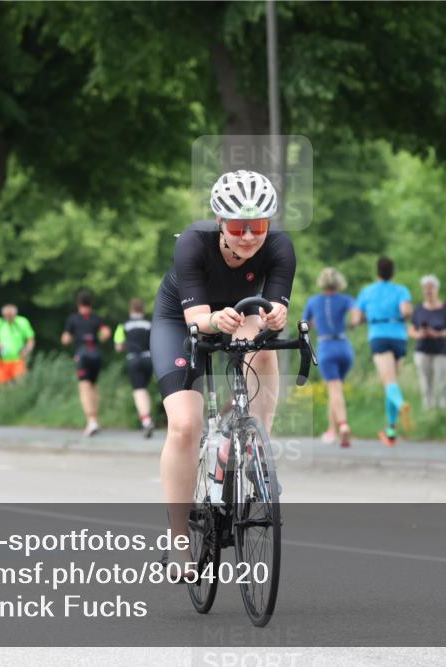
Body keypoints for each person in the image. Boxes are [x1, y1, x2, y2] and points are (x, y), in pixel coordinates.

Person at [151, 169, 294, 570]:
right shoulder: (194, 243)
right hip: (182, 320)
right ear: (219, 222)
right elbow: (198, 321)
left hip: (240, 311)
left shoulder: (280, 246)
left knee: (262, 348)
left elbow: (268, 312)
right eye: (237, 226)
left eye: (258, 225)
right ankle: (179, 540)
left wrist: (277, 315)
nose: (248, 236)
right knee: (185, 424)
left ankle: (256, 445)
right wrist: (217, 320)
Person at [352, 256, 414, 446]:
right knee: (393, 382)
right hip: (399, 336)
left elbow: (356, 319)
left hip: (379, 335)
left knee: (389, 384)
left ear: (377, 271)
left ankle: (402, 403)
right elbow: (406, 312)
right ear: (392, 272)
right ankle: (391, 431)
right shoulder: (401, 290)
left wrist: (364, 319)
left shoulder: (367, 291)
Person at [302, 267, 355, 447]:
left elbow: (305, 325)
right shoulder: (346, 299)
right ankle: (332, 430)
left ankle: (343, 425)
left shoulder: (313, 301)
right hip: (344, 346)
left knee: (334, 390)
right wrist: (352, 322)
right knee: (336, 389)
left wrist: (314, 323)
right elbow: (355, 315)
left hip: (326, 347)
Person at [63, 289, 112, 437]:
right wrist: (100, 338)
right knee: (94, 387)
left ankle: (91, 421)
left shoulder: (73, 319)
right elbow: (106, 332)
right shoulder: (96, 318)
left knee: (84, 387)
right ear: (91, 303)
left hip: (82, 356)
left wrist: (73, 338)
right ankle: (95, 420)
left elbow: (65, 339)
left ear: (78, 303)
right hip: (96, 354)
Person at [409, 275, 446, 410]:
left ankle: (444, 412)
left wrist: (438, 334)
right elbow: (411, 329)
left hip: (443, 350)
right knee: (426, 383)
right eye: (426, 288)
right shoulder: (418, 308)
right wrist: (420, 334)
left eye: (431, 288)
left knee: (445, 383)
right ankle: (428, 411)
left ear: (437, 289)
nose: (429, 291)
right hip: (423, 350)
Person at [114, 297, 155, 438]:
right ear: (143, 309)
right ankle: (148, 418)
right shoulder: (150, 324)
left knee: (139, 390)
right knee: (145, 388)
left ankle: (146, 421)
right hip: (149, 359)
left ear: (130, 309)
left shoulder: (123, 325)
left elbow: (118, 347)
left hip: (133, 359)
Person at [0, 304, 35, 384]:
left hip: (18, 360)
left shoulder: (22, 322)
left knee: (20, 383)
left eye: (11, 315)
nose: (9, 317)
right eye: (7, 316)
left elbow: (31, 340)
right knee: (3, 385)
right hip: (3, 360)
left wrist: (27, 350)